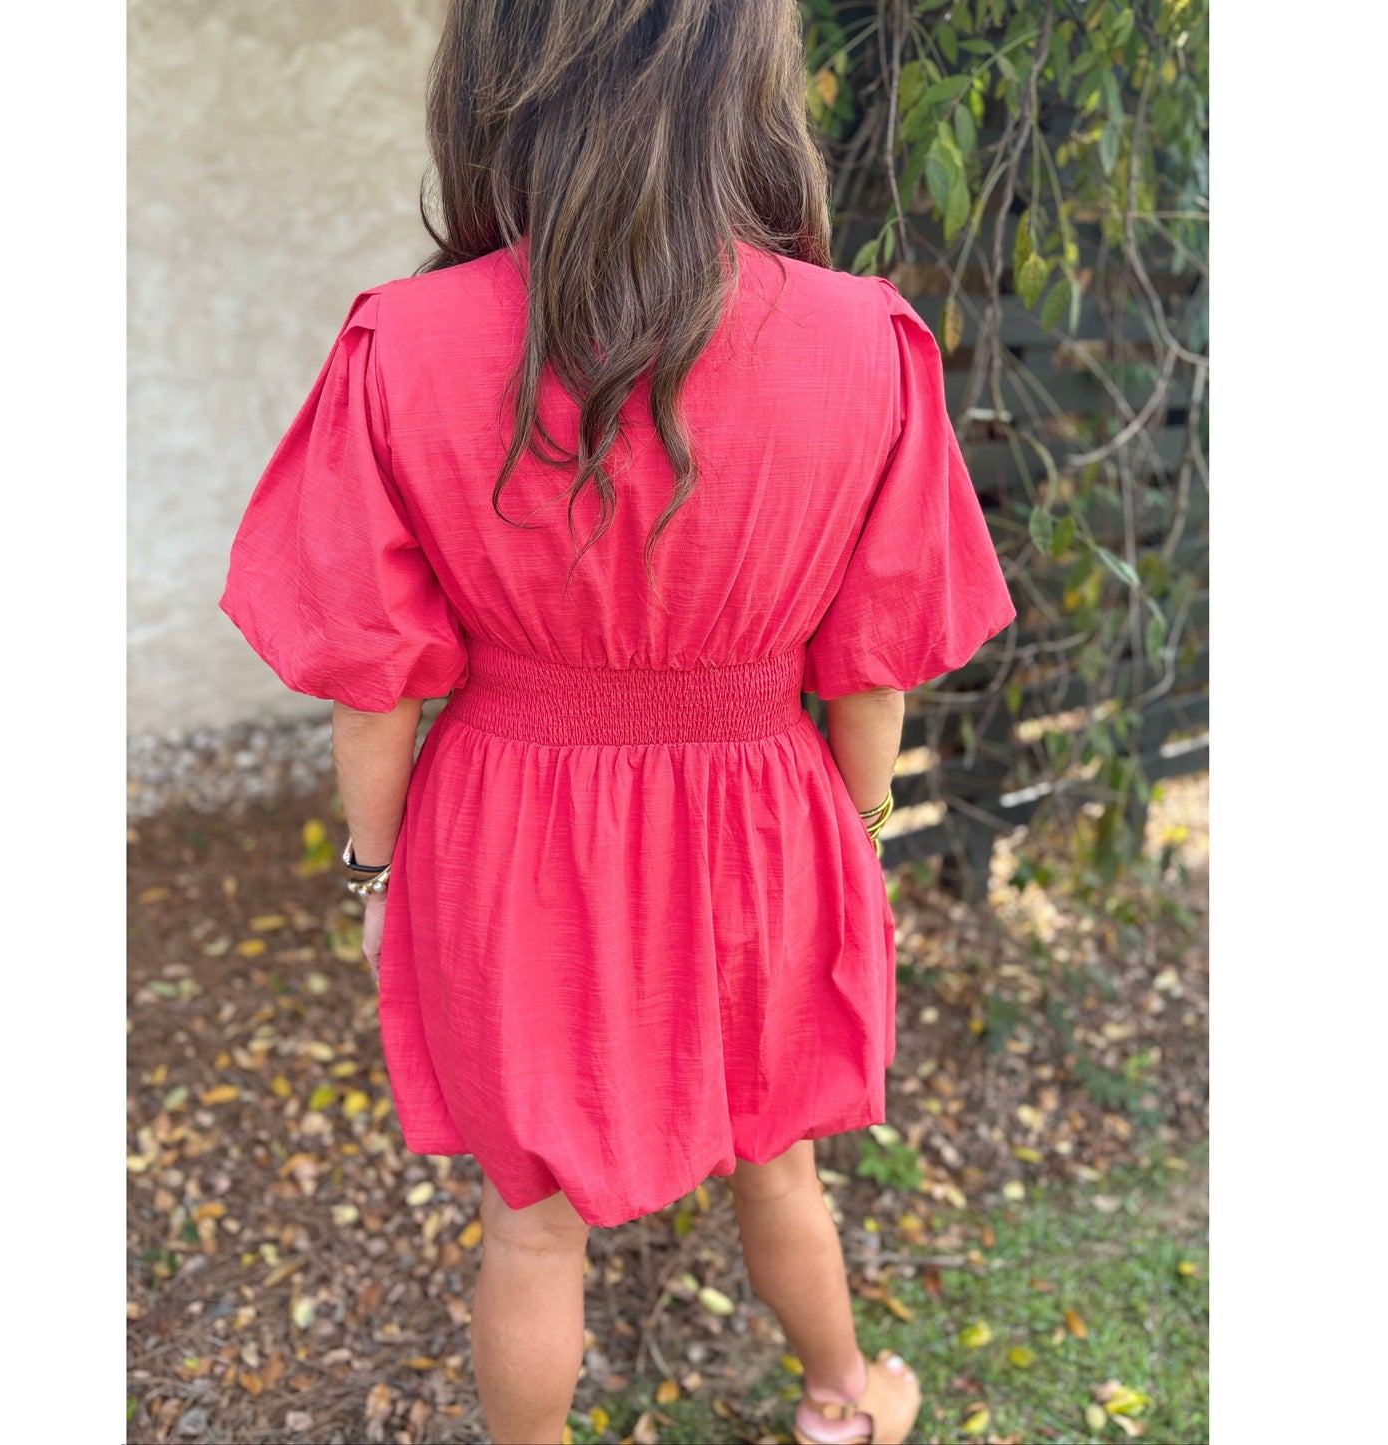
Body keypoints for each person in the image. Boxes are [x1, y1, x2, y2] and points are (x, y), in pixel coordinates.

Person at [220, 2, 1015, 1441]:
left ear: (496, 87)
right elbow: (877, 659)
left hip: (504, 829)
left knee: (528, 1223)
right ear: (750, 90)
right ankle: (843, 1400)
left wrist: (375, 874)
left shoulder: (400, 344)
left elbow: (376, 679)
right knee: (776, 1162)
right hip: (766, 811)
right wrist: (851, 831)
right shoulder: (864, 342)